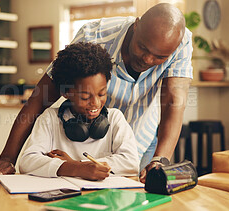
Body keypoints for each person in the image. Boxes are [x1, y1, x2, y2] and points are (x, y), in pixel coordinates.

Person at [0, 3, 192, 183]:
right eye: (142, 48)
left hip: (142, 141)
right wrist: (8, 158)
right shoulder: (93, 35)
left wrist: (160, 159)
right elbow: (39, 99)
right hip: (81, 146)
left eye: (159, 57)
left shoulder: (180, 42)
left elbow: (174, 101)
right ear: (136, 26)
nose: (148, 60)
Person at [18, 42, 139, 180]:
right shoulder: (50, 119)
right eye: (85, 97)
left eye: (101, 94)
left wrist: (76, 164)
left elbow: (131, 162)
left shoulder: (115, 118)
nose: (96, 103)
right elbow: (27, 162)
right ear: (65, 92)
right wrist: (75, 168)